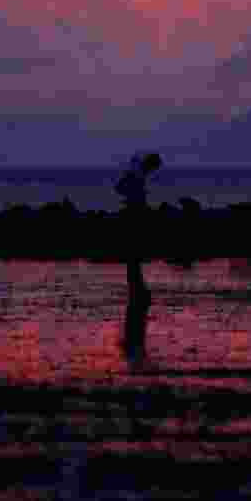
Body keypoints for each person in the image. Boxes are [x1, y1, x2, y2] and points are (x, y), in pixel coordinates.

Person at [115, 153, 162, 366]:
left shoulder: (137, 174)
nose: (152, 172)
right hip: (132, 221)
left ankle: (131, 338)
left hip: (133, 220)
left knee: (134, 262)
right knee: (133, 261)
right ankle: (132, 341)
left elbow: (123, 189)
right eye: (153, 168)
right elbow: (122, 188)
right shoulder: (136, 175)